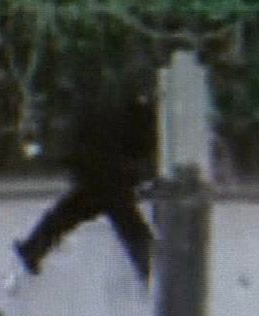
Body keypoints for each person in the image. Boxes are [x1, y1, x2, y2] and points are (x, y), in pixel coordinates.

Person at [12, 87, 156, 284]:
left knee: (78, 210)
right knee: (124, 219)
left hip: (97, 165)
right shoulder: (130, 103)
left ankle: (34, 248)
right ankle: (150, 269)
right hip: (108, 168)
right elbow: (140, 142)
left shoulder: (99, 99)